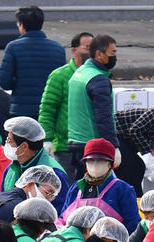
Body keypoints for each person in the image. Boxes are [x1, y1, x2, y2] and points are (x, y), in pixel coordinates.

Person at [66, 34, 119, 181]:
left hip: (75, 141)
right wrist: (113, 146)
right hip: (93, 147)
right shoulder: (98, 79)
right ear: (99, 54)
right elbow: (104, 117)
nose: (114, 57)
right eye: (112, 53)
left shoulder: (79, 73)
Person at [36, 32, 93, 167]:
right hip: (66, 147)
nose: (91, 53)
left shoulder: (97, 75)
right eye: (87, 48)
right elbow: (47, 109)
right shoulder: (60, 76)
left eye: (93, 48)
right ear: (74, 51)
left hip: (92, 147)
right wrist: (47, 139)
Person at [0, 7, 64, 119]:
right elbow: (62, 81)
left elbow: (4, 82)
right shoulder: (58, 48)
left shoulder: (13, 47)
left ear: (22, 25)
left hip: (22, 109)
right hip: (51, 109)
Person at [62, 138, 142, 230]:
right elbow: (62, 219)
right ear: (85, 163)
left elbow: (132, 225)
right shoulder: (76, 188)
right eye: (90, 160)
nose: (95, 164)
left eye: (101, 160)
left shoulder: (123, 189)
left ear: (110, 164)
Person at [0, 118, 70, 210]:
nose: (7, 144)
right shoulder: (12, 168)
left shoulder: (55, 174)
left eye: (10, 141)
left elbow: (58, 212)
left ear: (24, 146)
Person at [112, 107, 154, 194]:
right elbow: (135, 131)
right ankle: (133, 199)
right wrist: (152, 150)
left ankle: (135, 197)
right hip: (115, 132)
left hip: (127, 142)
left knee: (139, 167)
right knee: (132, 167)